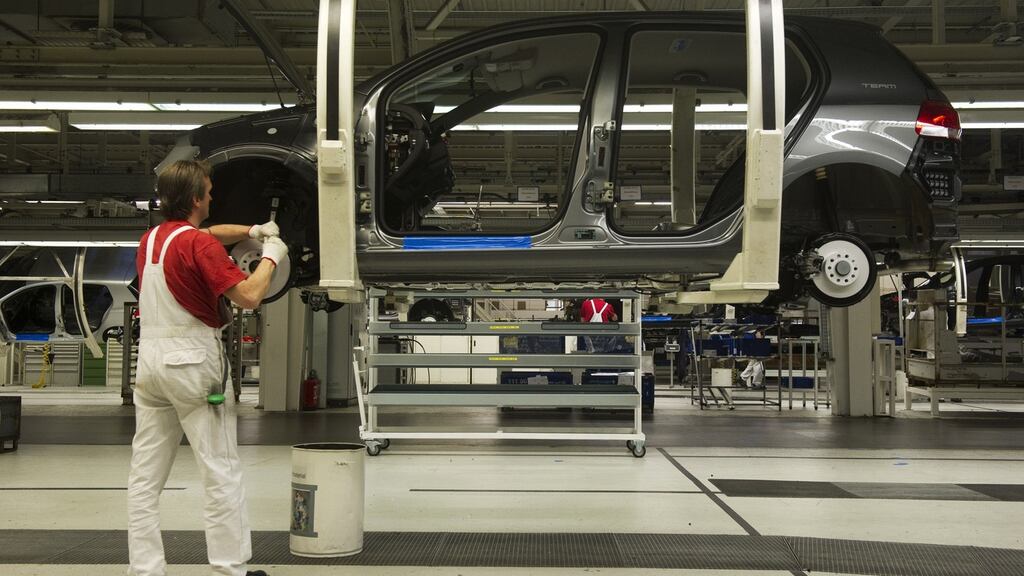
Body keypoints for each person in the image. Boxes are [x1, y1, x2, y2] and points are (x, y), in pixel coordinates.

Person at [126, 159, 287, 576]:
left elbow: (208, 234)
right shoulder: (198, 246)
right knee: (219, 468)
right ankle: (229, 567)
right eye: (209, 192)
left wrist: (252, 231)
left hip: (150, 366)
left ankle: (144, 570)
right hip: (193, 362)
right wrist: (270, 256)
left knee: (145, 476)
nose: (213, 196)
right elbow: (248, 296)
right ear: (196, 198)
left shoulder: (152, 240)